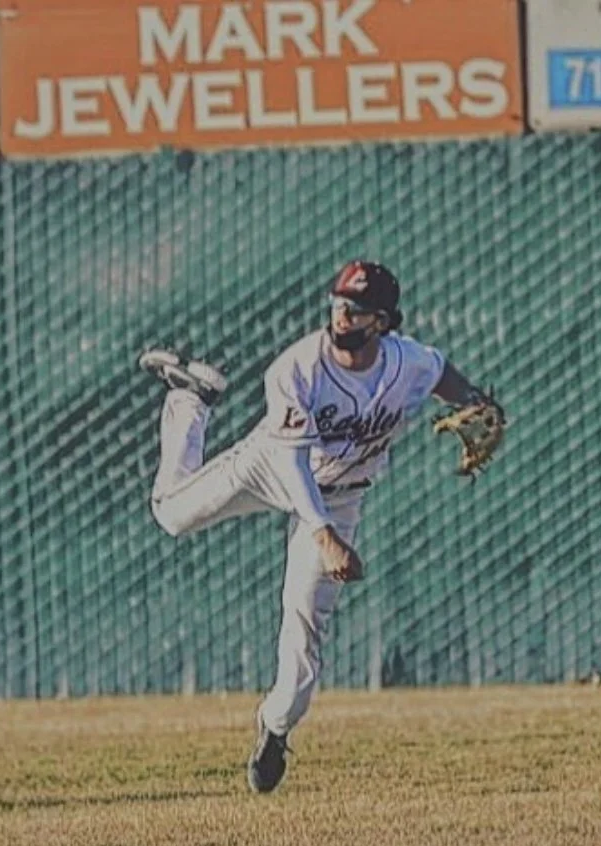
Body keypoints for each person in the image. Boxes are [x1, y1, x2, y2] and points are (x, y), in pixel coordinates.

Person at [138, 260, 499, 794]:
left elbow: (441, 371)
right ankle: (191, 399)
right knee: (170, 513)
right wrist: (323, 534)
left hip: (345, 493)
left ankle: (275, 727)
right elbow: (293, 467)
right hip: (273, 464)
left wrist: (475, 401)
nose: (341, 316)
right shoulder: (297, 368)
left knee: (305, 629)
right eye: (337, 303)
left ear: (382, 321)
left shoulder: (408, 363)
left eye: (354, 309)